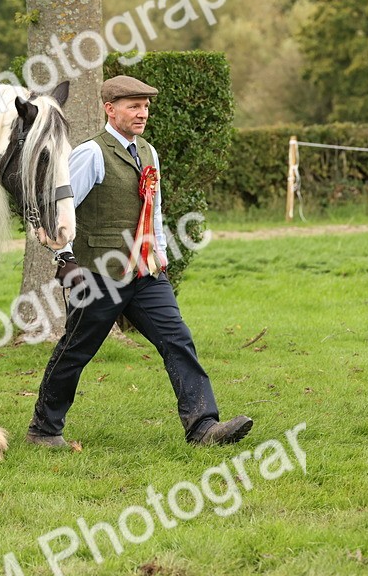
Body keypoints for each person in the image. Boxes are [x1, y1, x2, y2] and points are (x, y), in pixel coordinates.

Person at [25, 75, 253, 448]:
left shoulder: (148, 152)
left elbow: (154, 210)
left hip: (146, 272)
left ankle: (203, 428)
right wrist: (64, 259)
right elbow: (57, 213)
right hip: (99, 273)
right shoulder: (92, 154)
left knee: (177, 340)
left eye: (145, 106)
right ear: (109, 109)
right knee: (75, 351)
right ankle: (44, 430)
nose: (142, 113)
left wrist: (160, 255)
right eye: (133, 106)